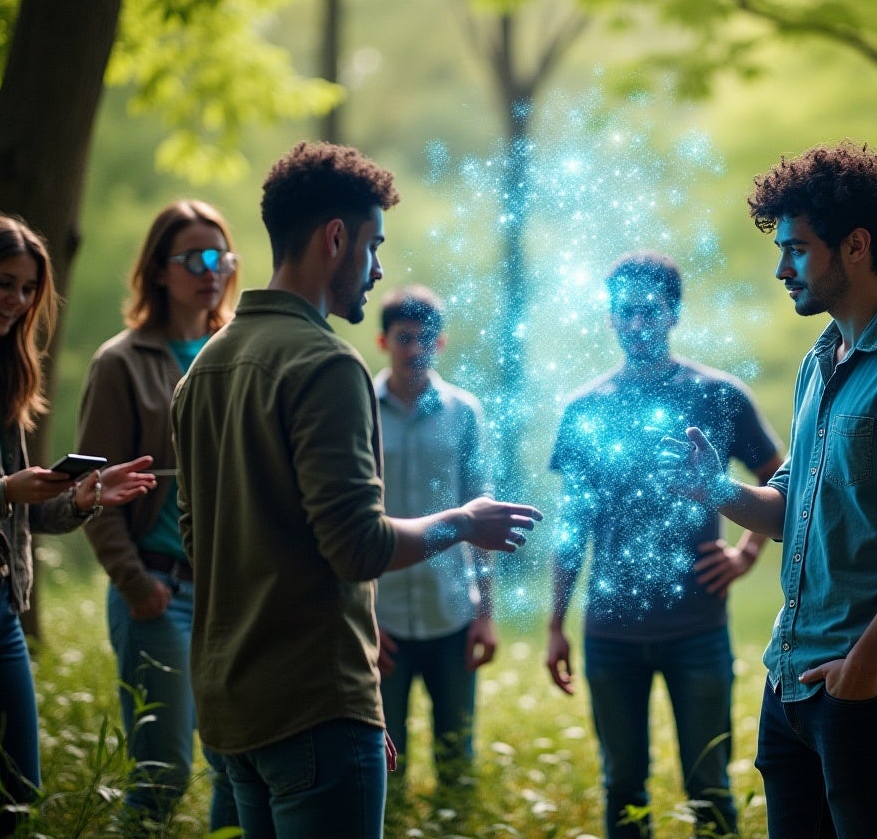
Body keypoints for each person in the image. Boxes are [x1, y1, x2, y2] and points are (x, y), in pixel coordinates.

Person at [171, 140, 542, 839]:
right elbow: (358, 546)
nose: (376, 269)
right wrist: (464, 521)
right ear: (334, 239)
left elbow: (202, 540)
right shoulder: (326, 365)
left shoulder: (204, 370)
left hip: (230, 709)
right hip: (312, 705)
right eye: (372, 246)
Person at [661, 142, 877, 839]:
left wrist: (864, 666)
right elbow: (790, 506)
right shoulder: (822, 357)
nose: (782, 268)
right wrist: (711, 488)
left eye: (798, 249)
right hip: (792, 675)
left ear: (857, 246)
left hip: (871, 682)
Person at [0, 214, 155, 837]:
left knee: (17, 806)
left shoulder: (6, 380)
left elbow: (27, 511)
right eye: (4, 283)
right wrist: (1, 492)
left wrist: (82, 498)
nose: (18, 302)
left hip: (1, 614)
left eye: (28, 290)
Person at [546, 250, 784, 839]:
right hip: (610, 635)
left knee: (710, 789)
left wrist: (745, 554)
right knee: (622, 788)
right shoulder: (584, 409)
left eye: (648, 311)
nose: (636, 324)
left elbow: (782, 479)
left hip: (697, 629)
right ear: (610, 318)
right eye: (624, 313)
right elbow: (571, 524)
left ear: (673, 312)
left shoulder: (720, 396)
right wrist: (555, 622)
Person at [77, 201, 241, 831]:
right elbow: (91, 487)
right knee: (163, 774)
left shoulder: (237, 352)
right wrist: (134, 582)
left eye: (222, 258)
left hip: (232, 595)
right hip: (159, 590)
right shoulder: (120, 361)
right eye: (195, 259)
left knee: (239, 764)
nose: (212, 272)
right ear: (158, 271)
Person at [373, 285, 496, 787]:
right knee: (381, 762)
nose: (416, 349)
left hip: (451, 613)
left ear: (440, 343)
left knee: (456, 758)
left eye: (426, 339)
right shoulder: (358, 407)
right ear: (384, 342)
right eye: (405, 338)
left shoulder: (464, 412)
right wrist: (356, 620)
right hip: (381, 619)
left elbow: (482, 515)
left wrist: (485, 614)